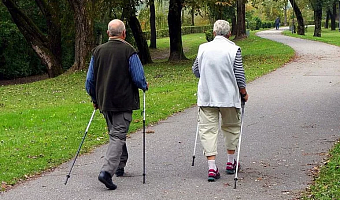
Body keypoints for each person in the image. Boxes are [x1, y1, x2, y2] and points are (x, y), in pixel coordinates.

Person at [85, 19, 148, 190]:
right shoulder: (129, 51)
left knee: (115, 133)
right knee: (118, 136)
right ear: (124, 33)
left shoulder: (97, 51)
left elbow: (89, 81)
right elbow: (138, 77)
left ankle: (120, 166)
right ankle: (107, 172)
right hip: (123, 101)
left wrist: (95, 98)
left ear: (108, 33)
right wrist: (144, 85)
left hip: (105, 101)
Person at [192, 20, 248, 182]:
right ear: (229, 34)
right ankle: (231, 163)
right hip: (229, 97)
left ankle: (211, 168)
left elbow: (196, 70)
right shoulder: (233, 49)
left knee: (208, 130)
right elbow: (239, 74)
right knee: (231, 127)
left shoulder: (203, 48)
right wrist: (243, 92)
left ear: (214, 33)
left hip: (207, 96)